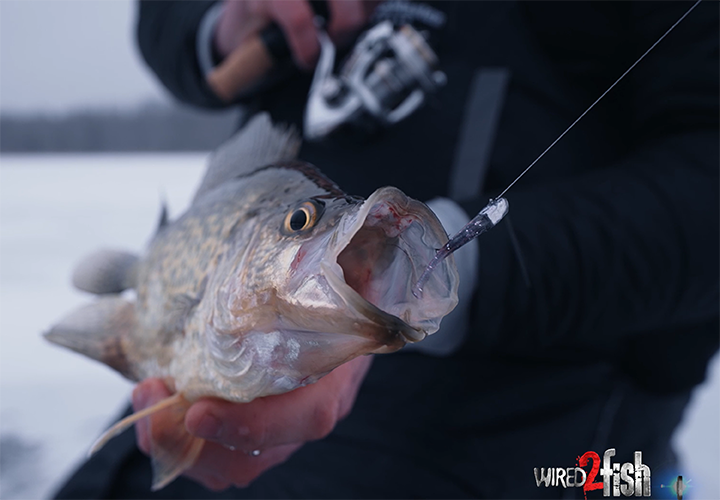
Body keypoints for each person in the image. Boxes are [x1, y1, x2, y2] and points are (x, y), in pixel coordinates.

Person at [55, 1, 718, 498]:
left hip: (538, 415)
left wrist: (465, 272)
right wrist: (229, 21)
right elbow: (166, 21)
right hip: (240, 319)